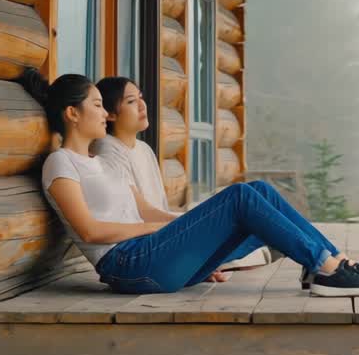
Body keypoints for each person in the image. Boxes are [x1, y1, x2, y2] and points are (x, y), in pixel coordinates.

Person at [19, 69, 359, 298]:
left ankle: (330, 262)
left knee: (259, 193)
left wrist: (188, 228)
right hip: (127, 266)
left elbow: (147, 210)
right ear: (72, 113)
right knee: (239, 196)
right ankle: (326, 268)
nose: (105, 114)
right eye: (98, 105)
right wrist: (164, 229)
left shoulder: (101, 161)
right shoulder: (61, 163)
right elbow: (89, 229)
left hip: (153, 253)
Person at [90, 76, 271, 271]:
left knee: (261, 209)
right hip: (150, 246)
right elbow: (141, 213)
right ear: (110, 114)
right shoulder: (107, 150)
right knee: (250, 209)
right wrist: (193, 225)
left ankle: (208, 265)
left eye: (141, 98)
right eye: (131, 101)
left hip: (167, 236)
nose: (142, 105)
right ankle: (209, 264)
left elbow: (158, 206)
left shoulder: (143, 149)